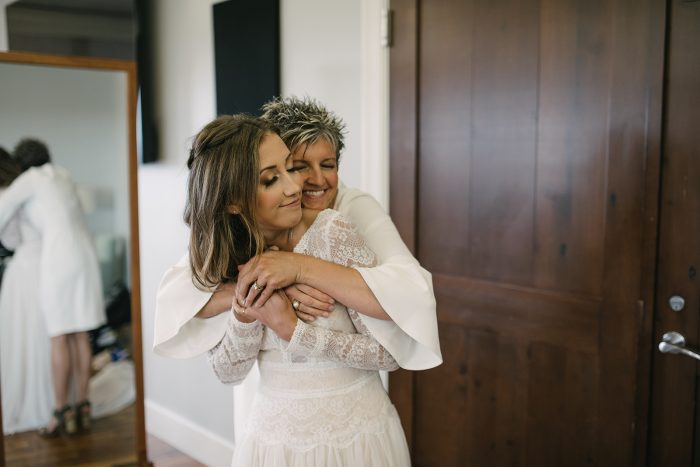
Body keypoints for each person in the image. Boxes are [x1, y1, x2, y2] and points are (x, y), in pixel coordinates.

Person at [154, 97, 441, 373]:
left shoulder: (348, 211)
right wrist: (261, 289)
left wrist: (299, 269)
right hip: (265, 394)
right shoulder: (245, 225)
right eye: (298, 167)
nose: (315, 181)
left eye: (328, 164)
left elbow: (410, 295)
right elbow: (181, 294)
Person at [186, 114, 410, 465]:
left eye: (290, 169)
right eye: (272, 179)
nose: (294, 187)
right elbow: (228, 372)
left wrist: (293, 330)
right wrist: (245, 313)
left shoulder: (333, 232)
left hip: (355, 439)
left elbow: (390, 353)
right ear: (233, 202)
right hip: (275, 444)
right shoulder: (233, 258)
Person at [0, 139, 105, 436]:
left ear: (21, 165)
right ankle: (83, 405)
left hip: (58, 260)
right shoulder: (63, 174)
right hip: (85, 256)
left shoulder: (30, 180)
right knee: (80, 333)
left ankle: (59, 412)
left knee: (59, 335)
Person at [0, 147, 55, 435]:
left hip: (22, 273)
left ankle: (28, 399)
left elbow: (10, 242)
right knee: (40, 335)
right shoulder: (29, 192)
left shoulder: (8, 198)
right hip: (42, 270)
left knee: (21, 336)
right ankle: (50, 399)